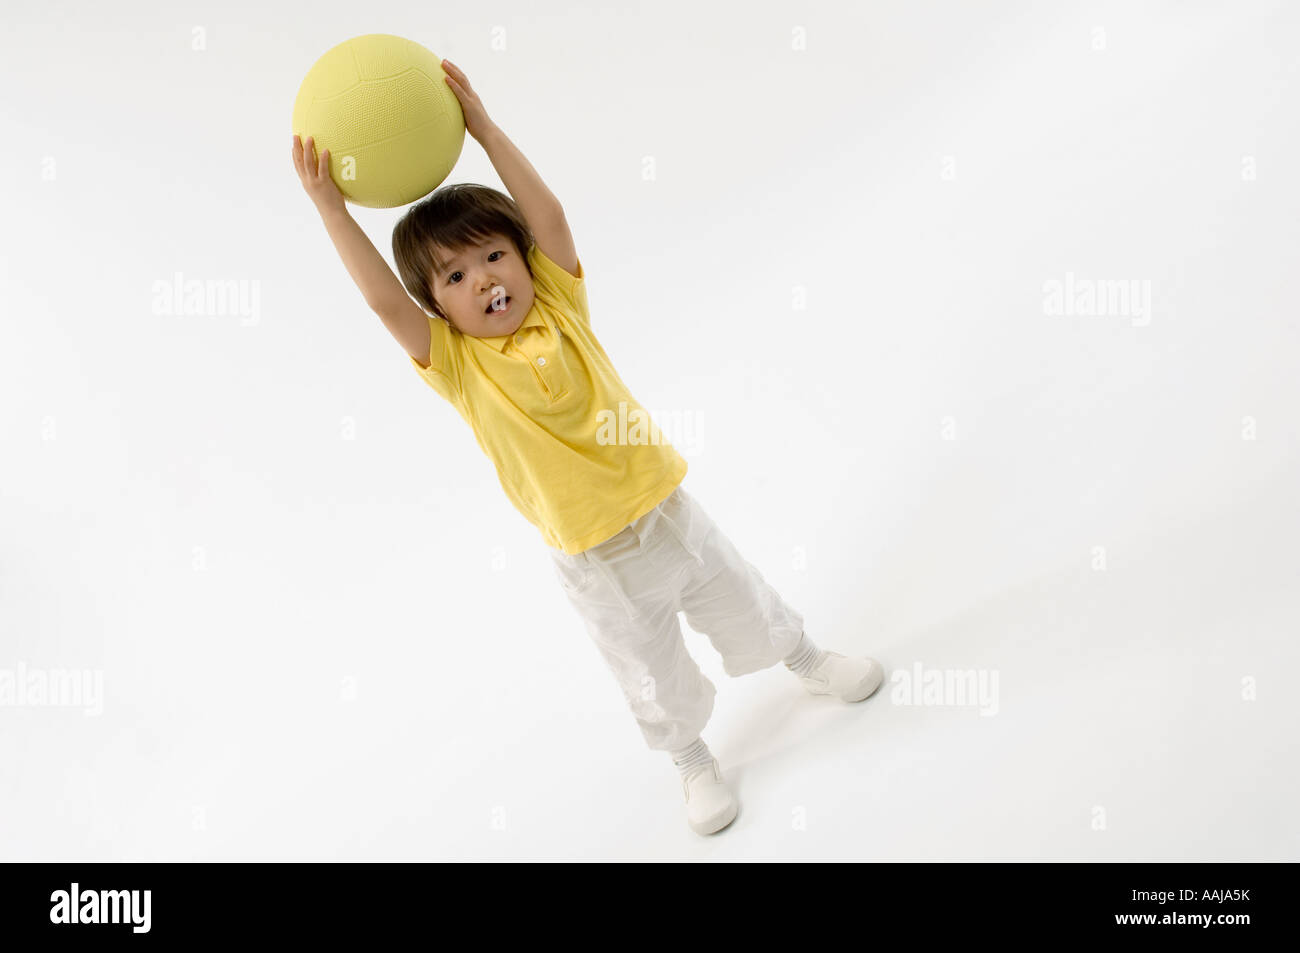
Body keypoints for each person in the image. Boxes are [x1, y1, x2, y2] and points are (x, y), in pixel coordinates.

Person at [290, 58, 884, 836]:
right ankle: (692, 760)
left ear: (523, 260)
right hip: (594, 555)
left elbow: (553, 217)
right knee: (651, 671)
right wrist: (332, 210)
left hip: (666, 509)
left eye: (496, 255)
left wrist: (484, 129)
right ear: (434, 305)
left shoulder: (562, 306)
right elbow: (378, 299)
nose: (486, 279)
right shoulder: (461, 367)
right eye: (457, 276)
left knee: (740, 595)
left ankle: (805, 658)